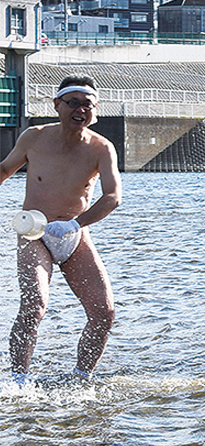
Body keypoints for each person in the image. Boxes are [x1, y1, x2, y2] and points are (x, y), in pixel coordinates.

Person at [0, 76, 120, 385]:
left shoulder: (101, 148)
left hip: (72, 233)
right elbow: (4, 170)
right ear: (57, 105)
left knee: (103, 313)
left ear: (95, 111)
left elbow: (112, 197)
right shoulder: (34, 137)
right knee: (35, 305)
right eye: (73, 103)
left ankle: (80, 379)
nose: (80, 110)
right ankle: (20, 381)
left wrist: (75, 224)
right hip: (34, 232)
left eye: (87, 105)